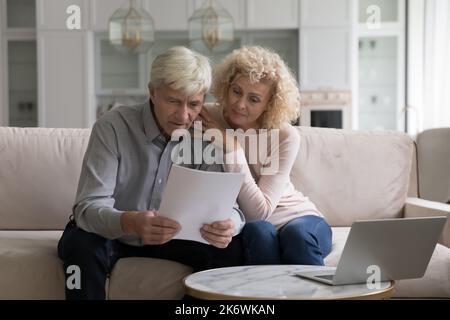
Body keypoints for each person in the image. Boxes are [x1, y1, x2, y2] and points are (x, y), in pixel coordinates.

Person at [57, 46, 245, 300]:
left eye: (194, 104)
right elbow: (87, 208)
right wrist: (130, 221)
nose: (183, 115)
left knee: (233, 251)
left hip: (178, 239)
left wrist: (230, 225)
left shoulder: (207, 135)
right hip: (117, 235)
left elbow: (232, 208)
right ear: (152, 92)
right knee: (81, 243)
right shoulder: (113, 126)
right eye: (174, 101)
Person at [198, 46, 332, 266]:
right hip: (252, 225)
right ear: (226, 87)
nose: (240, 104)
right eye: (236, 91)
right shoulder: (209, 117)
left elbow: (259, 211)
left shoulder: (284, 135)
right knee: (258, 232)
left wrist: (232, 149)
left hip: (298, 218)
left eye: (253, 99)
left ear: (269, 104)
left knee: (295, 236)